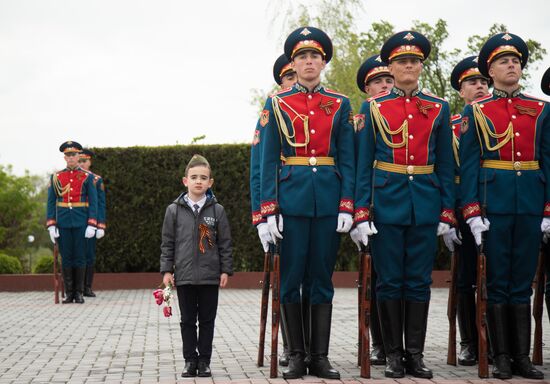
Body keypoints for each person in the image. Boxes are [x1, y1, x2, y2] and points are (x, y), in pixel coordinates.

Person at [354, 31, 455, 379]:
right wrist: (361, 213)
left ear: (420, 67)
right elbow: (363, 162)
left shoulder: (439, 106)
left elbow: (446, 163)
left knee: (417, 281)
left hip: (425, 203)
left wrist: (446, 211)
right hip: (386, 202)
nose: (408, 66)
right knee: (389, 282)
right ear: (391, 68)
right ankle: (393, 354)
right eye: (401, 62)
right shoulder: (373, 107)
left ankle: (415, 354)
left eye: (414, 61)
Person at [259, 26, 355, 379]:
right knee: (291, 279)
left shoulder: (340, 103)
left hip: (328, 202)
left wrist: (348, 204)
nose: (309, 61)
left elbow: (348, 159)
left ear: (323, 61)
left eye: (314, 55)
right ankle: (296, 355)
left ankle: (320, 356)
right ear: (293, 64)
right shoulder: (277, 103)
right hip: (292, 202)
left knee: (321, 279)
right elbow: (268, 160)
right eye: (302, 57)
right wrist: (268, 210)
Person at [460, 32, 549, 380]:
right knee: (497, 281)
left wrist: (547, 209)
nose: (511, 65)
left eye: (515, 61)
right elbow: (468, 165)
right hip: (493, 204)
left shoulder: (541, 110)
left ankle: (521, 357)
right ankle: (500, 357)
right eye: (503, 61)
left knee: (521, 281)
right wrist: (471, 210)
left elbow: (547, 160)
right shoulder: (478, 111)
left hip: (529, 202)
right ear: (490, 71)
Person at [160, 154, 233, 378]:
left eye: (203, 178)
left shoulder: (217, 210)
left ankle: (205, 361)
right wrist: (166, 270)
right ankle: (190, 361)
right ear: (185, 181)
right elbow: (168, 243)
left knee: (207, 321)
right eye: (194, 177)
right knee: (187, 321)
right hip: (184, 276)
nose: (198, 181)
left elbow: (225, 243)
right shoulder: (173, 210)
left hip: (210, 276)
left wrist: (225, 270)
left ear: (210, 182)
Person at [250, 53, 298, 367]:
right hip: (279, 210)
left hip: (308, 203)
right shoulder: (271, 114)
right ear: (280, 83)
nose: (295, 82)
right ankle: (289, 346)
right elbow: (259, 170)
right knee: (287, 282)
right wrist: (261, 217)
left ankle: (308, 347)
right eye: (289, 77)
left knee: (310, 281)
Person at [445, 56, 490, 366]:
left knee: (498, 276)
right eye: (473, 83)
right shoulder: (450, 127)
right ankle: (469, 342)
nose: (480, 87)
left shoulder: (502, 120)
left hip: (498, 205)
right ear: (461, 91)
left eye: (483, 82)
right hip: (463, 210)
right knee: (466, 277)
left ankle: (498, 340)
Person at [352, 54, 394, 367]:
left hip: (394, 206)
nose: (384, 85)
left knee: (394, 278)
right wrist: (355, 212)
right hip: (368, 209)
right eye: (377, 81)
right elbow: (355, 169)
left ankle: (393, 343)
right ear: (367, 89)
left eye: (388, 80)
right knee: (374, 279)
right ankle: (378, 342)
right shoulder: (360, 121)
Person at [46, 141, 98, 304]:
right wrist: (51, 224)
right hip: (63, 222)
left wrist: (92, 223)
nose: (71, 158)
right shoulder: (56, 177)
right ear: (64, 157)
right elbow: (51, 202)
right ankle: (69, 293)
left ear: (78, 156)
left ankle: (79, 293)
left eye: (74, 155)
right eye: (68, 155)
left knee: (80, 257)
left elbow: (94, 202)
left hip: (81, 221)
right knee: (67, 257)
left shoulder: (87, 177)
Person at [78, 148, 106, 297]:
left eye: (85, 161)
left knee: (89, 255)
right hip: (76, 219)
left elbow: (100, 204)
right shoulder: (73, 178)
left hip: (91, 221)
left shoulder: (96, 179)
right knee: (76, 254)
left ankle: (87, 287)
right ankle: (75, 288)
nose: (82, 164)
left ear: (90, 162)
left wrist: (100, 225)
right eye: (80, 160)